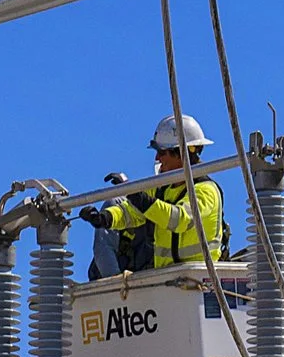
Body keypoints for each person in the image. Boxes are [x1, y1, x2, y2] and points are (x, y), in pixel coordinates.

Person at [81, 112, 230, 277]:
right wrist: (105, 218)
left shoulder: (206, 191)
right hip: (165, 279)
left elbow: (179, 219)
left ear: (181, 153)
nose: (157, 157)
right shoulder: (162, 188)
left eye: (162, 152)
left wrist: (137, 196)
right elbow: (131, 212)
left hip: (198, 281)